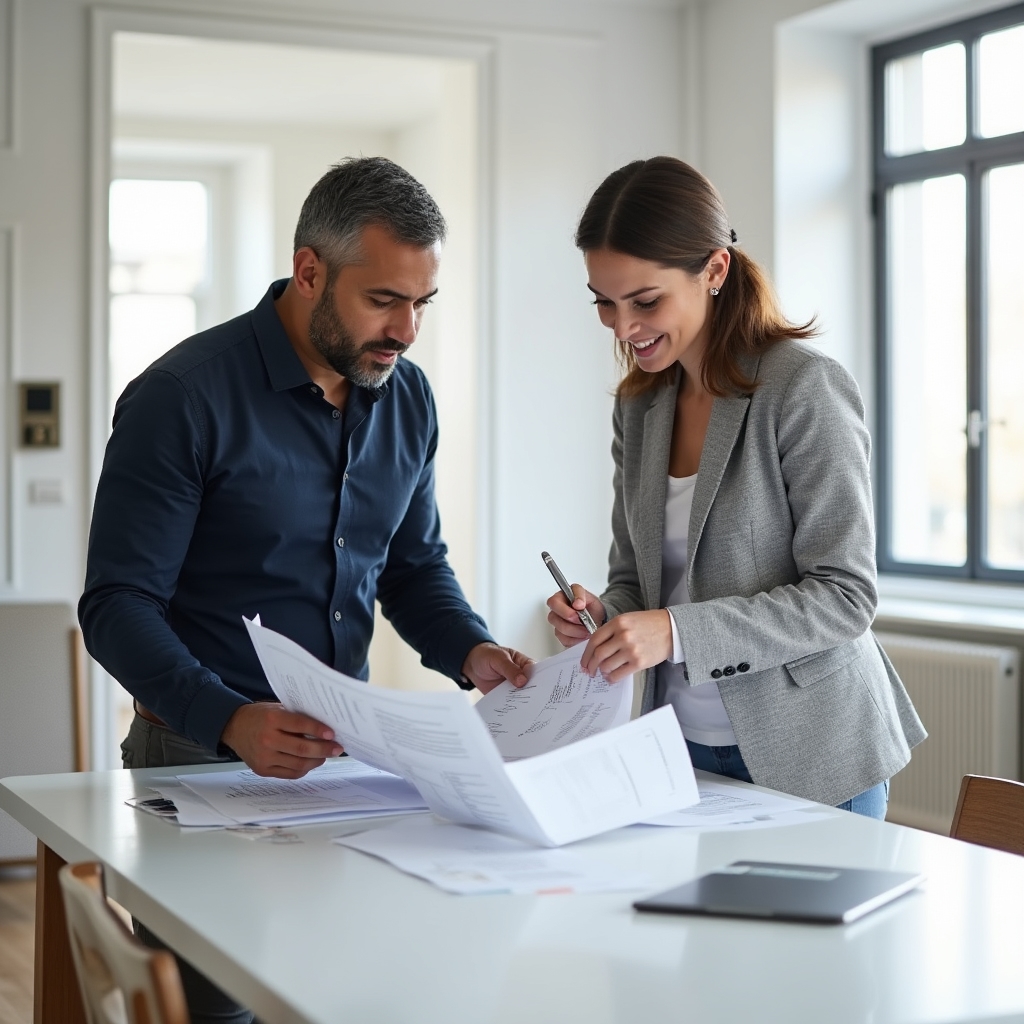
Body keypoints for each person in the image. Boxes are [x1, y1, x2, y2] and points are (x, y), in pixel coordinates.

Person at [80, 156, 531, 1024]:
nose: (405, 330)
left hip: (343, 768)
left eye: (421, 305)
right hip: (200, 763)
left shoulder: (407, 399)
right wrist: (230, 718)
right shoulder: (182, 398)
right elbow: (116, 605)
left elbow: (410, 566)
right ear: (311, 270)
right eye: (383, 300)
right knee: (218, 1011)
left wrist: (474, 653)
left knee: (333, 997)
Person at [547, 156, 925, 818]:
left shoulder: (802, 386)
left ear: (714, 271)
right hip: (682, 750)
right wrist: (606, 617)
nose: (623, 328)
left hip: (814, 751)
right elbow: (637, 580)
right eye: (604, 303)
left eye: (646, 300)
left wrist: (673, 632)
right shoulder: (638, 407)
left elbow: (845, 595)